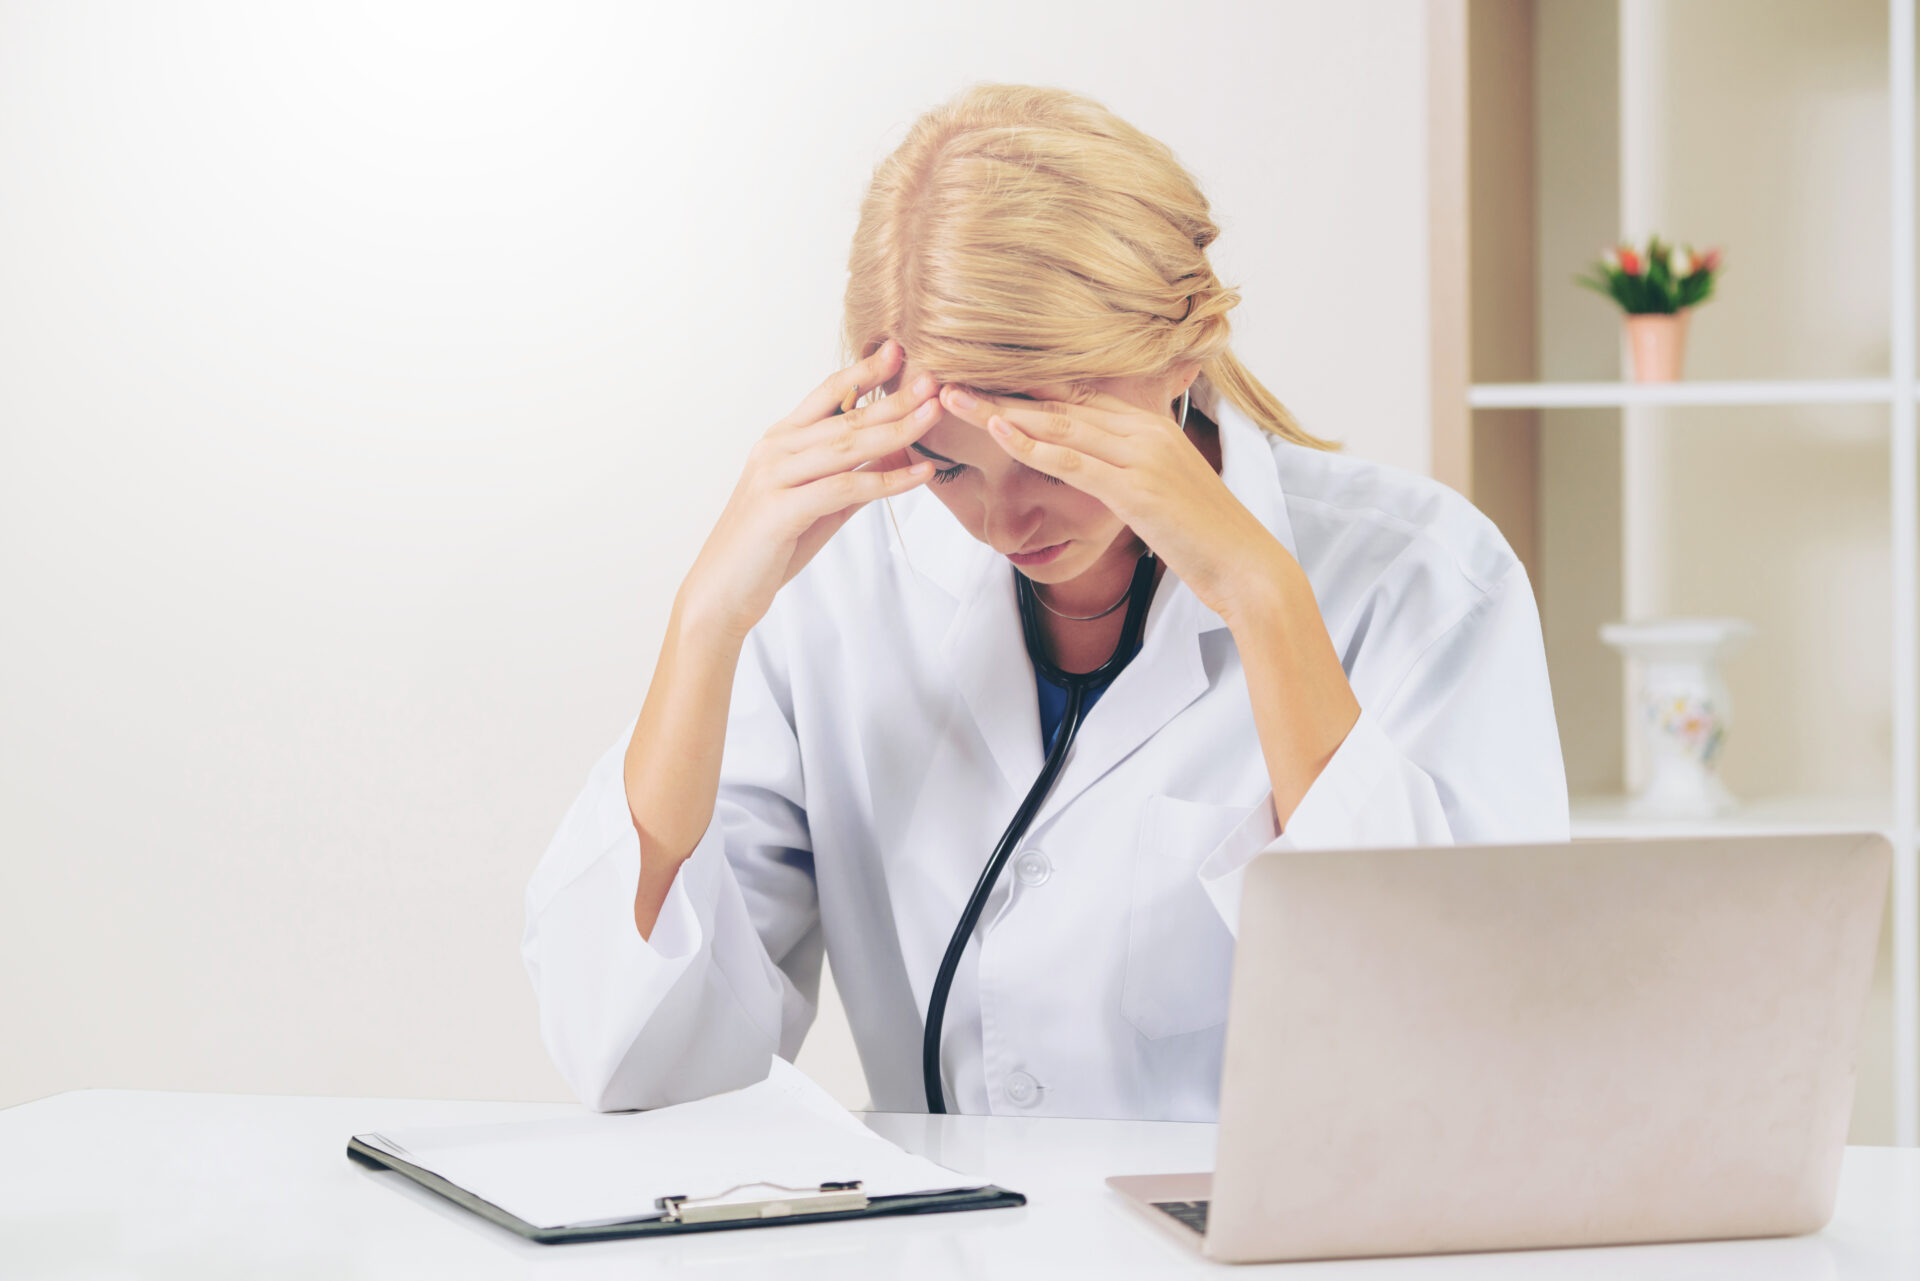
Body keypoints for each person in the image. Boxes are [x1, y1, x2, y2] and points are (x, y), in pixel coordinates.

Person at [522, 83, 1570, 1122]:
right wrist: (707, 621)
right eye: (949, 468)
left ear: (1182, 350)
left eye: (1052, 453)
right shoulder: (842, 587)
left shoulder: (1424, 579)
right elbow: (638, 1062)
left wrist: (1259, 595)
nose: (1007, 520)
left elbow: (1465, 1048)